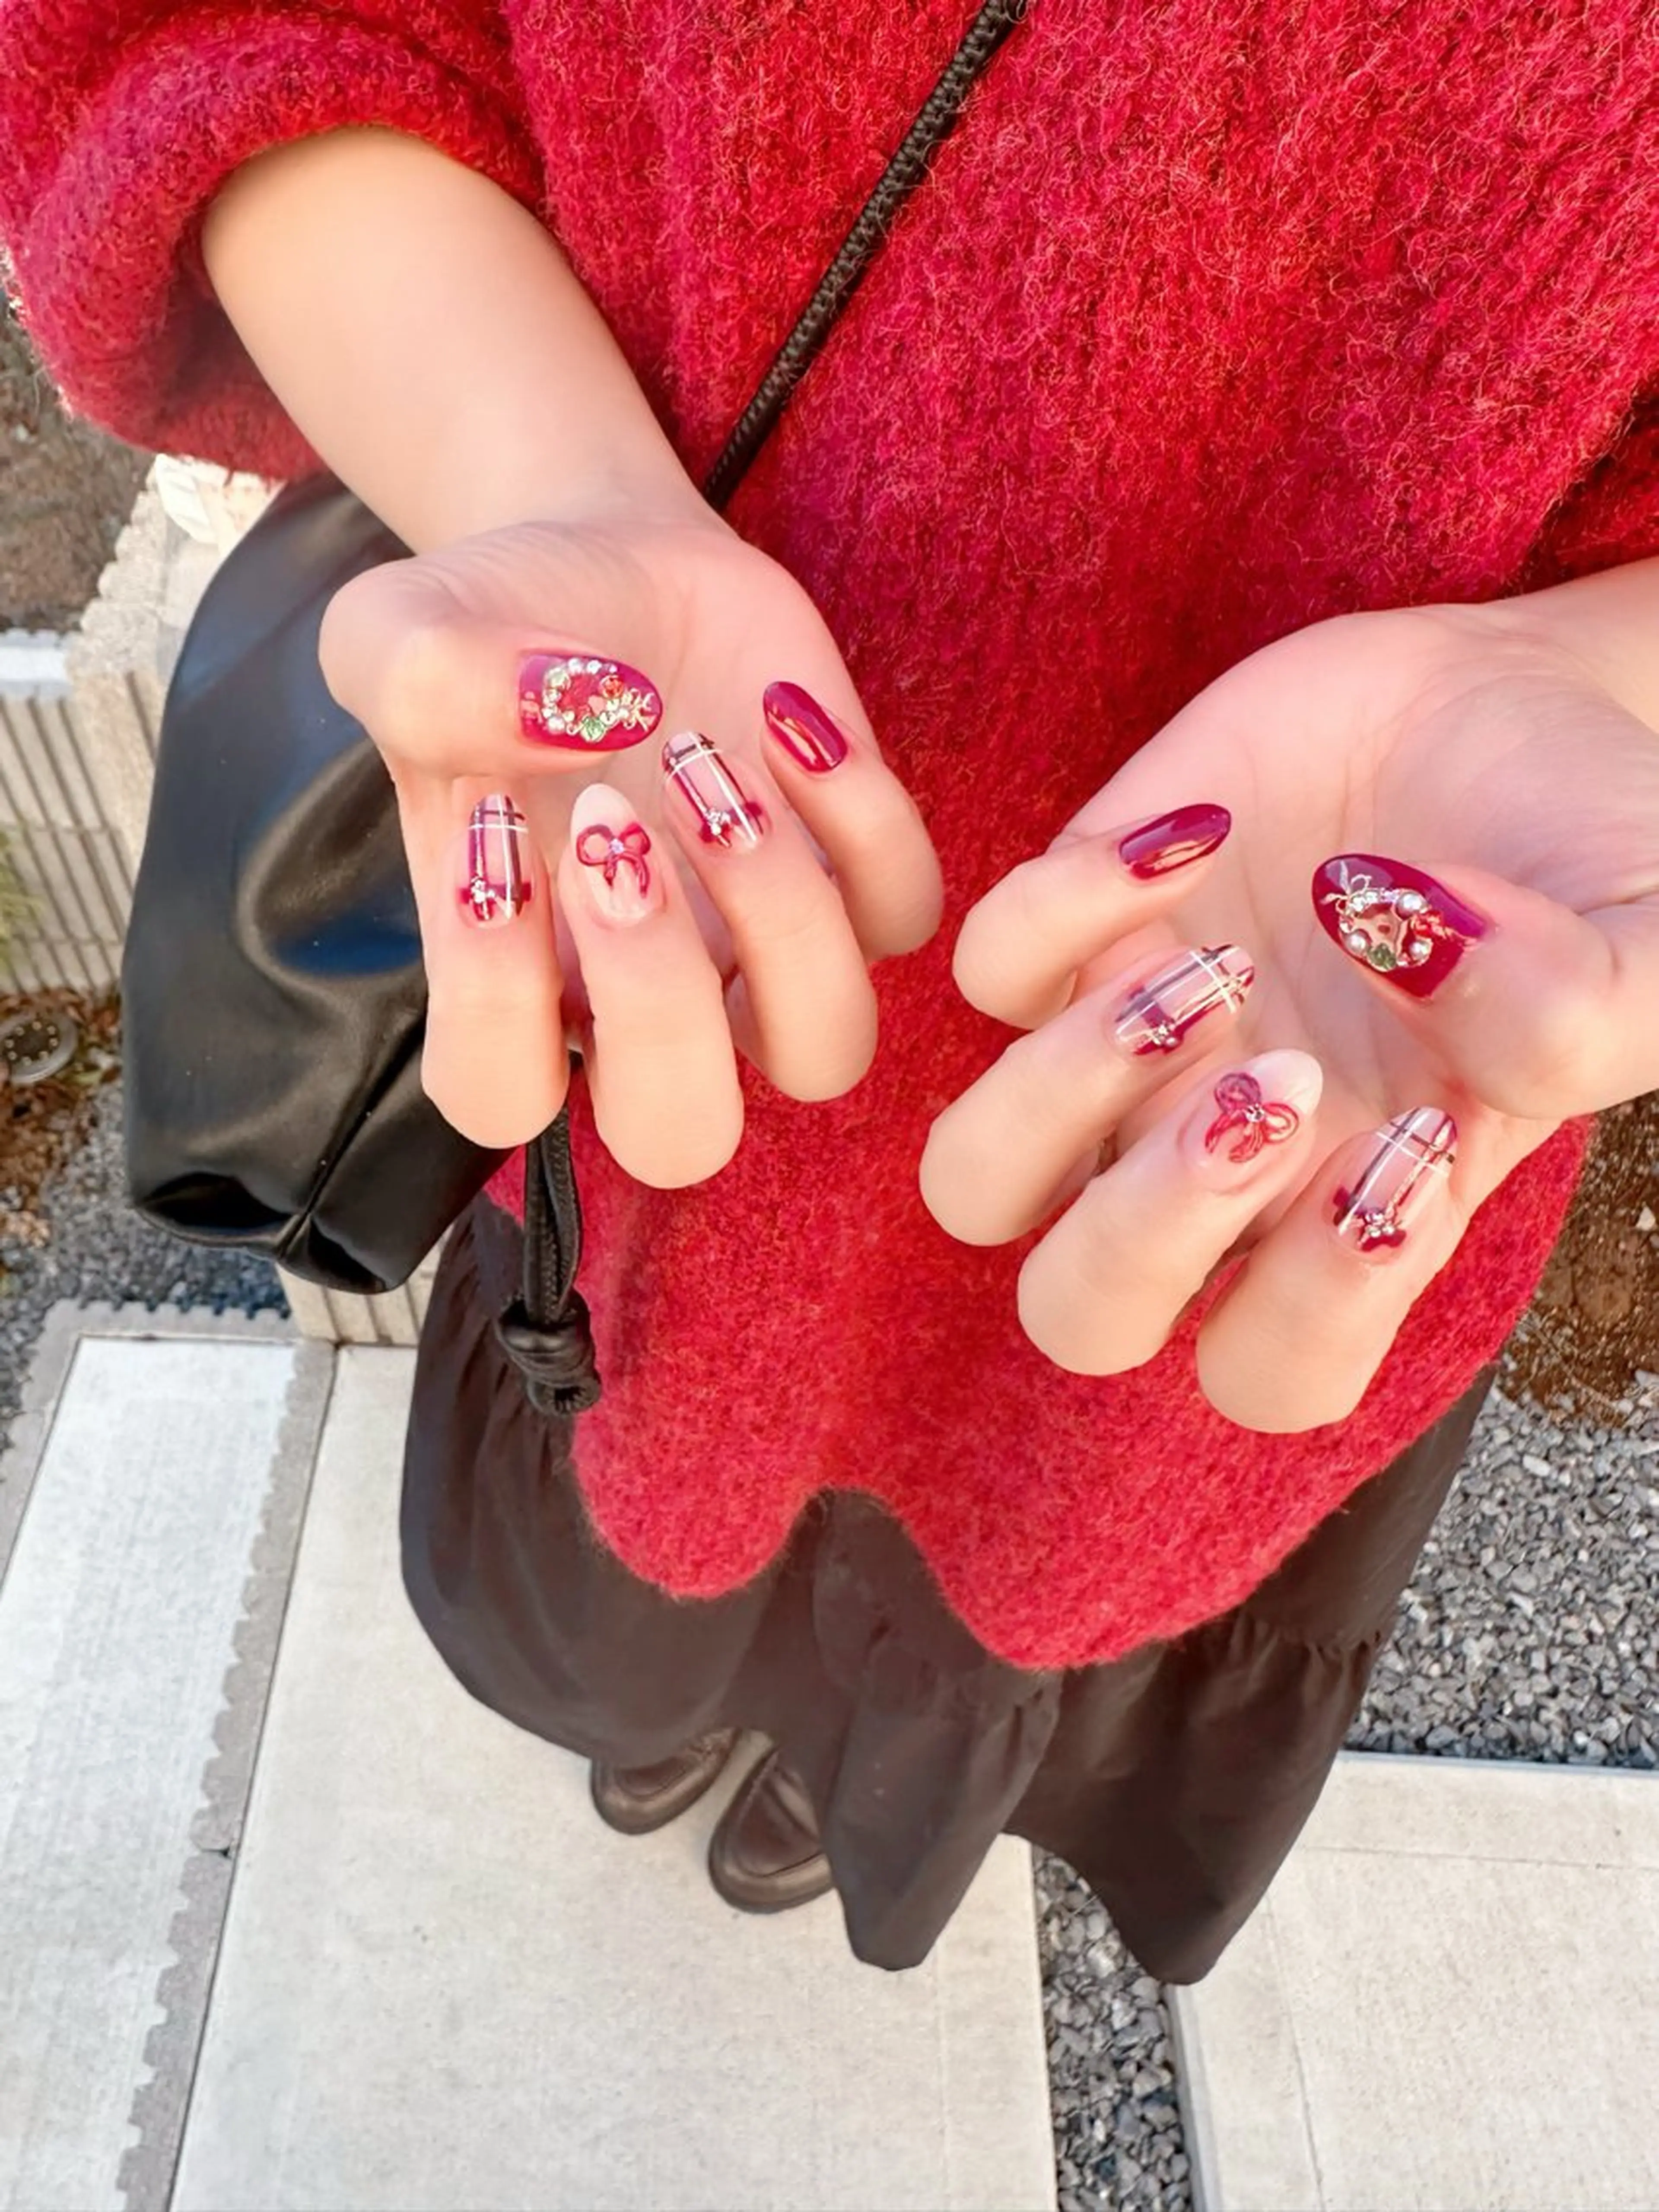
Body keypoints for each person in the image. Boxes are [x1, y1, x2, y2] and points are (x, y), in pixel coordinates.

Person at [3, 0, 1656, 1977]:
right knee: (646, 1544)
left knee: (1019, 1570)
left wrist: (1608, 680)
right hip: (665, 938)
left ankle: (837, 1773)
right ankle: (682, 1706)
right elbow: (219, 37)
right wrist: (549, 485)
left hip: (1283, 1072)